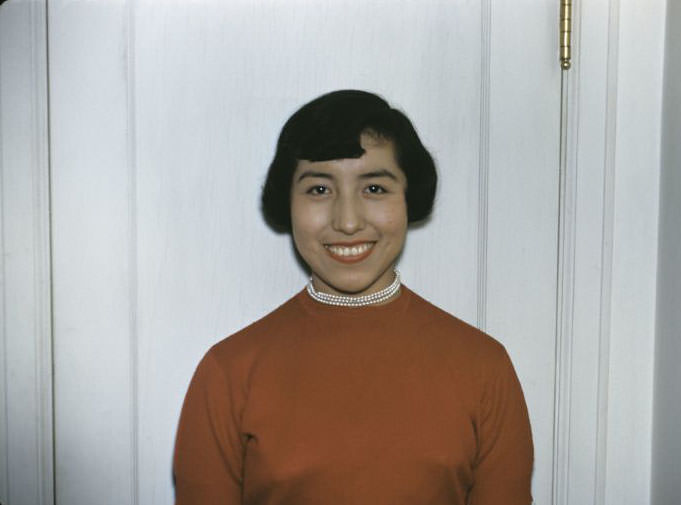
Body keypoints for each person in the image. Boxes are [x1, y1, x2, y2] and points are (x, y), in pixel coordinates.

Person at [173, 89, 533, 504]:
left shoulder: (484, 369)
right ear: (286, 203)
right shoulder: (228, 374)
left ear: (408, 198)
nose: (347, 221)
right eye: (319, 190)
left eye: (375, 188)